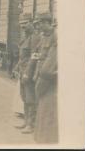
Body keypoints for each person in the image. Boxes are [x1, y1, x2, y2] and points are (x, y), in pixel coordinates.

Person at [33, 13, 58, 143]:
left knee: (48, 110)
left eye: (41, 23)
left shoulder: (56, 36)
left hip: (49, 80)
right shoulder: (44, 36)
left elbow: (51, 63)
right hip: (41, 75)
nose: (39, 26)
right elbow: (39, 55)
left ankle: (46, 140)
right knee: (42, 108)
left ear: (47, 23)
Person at [13, 15, 35, 133]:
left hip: (29, 73)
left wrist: (28, 73)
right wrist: (16, 68)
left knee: (31, 99)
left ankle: (31, 125)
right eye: (21, 23)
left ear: (31, 22)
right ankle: (26, 122)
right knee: (24, 97)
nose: (23, 26)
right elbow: (22, 57)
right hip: (23, 72)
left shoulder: (34, 37)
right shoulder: (25, 37)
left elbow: (34, 57)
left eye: (25, 23)